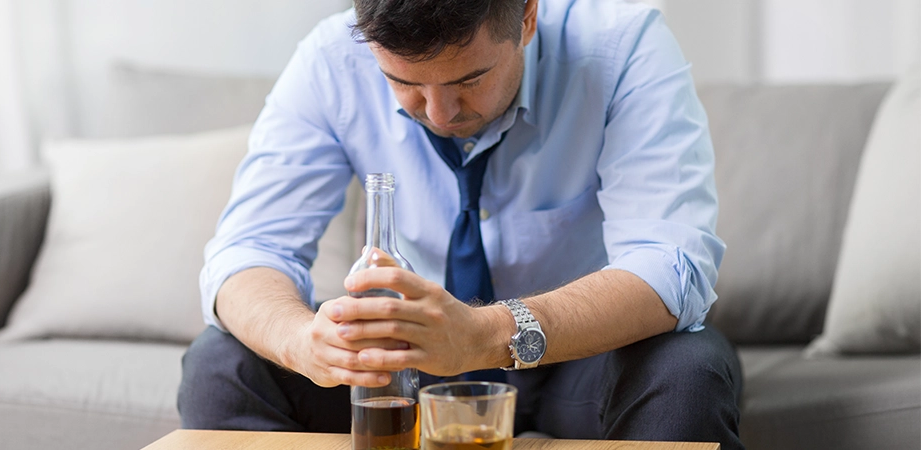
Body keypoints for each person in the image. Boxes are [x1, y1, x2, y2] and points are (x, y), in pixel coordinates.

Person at [178, 0, 744, 448]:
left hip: (585, 363)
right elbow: (249, 250)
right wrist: (302, 342)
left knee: (687, 367)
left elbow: (673, 265)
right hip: (410, 372)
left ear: (526, 15)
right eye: (405, 84)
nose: (440, 114)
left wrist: (482, 335)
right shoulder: (330, 60)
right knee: (221, 362)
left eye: (469, 79)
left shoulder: (623, 47)